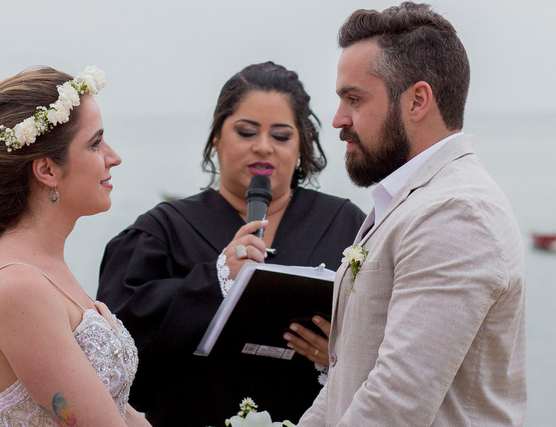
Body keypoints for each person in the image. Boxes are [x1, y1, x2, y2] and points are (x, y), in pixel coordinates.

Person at [97, 62, 366, 427]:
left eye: (282, 136)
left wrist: (338, 354)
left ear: (302, 146)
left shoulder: (346, 225)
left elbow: (393, 337)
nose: (263, 147)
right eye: (246, 131)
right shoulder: (161, 231)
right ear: (216, 138)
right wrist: (216, 280)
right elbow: (115, 351)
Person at [298, 3, 527, 427]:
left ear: (417, 100)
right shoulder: (412, 199)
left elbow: (395, 402)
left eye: (354, 99)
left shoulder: (457, 214)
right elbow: (350, 377)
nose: (337, 120)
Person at [0, 67, 150, 427]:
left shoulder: (40, 266)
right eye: (95, 143)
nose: (113, 157)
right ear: (47, 170)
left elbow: (117, 410)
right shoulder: (17, 287)